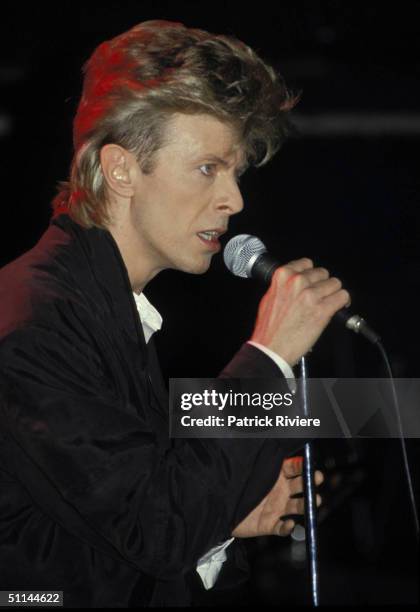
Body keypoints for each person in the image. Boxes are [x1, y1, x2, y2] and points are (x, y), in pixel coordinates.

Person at [0, 20, 349, 607]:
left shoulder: (106, 310)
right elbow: (147, 532)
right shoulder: (36, 320)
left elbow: (123, 533)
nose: (234, 199)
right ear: (120, 169)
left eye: (235, 172)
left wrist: (222, 514)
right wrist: (267, 357)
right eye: (208, 167)